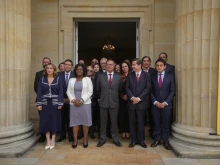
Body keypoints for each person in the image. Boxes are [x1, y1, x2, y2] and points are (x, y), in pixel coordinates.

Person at [96, 59, 123, 147]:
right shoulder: (100, 76)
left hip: (114, 102)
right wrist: (100, 98)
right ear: (105, 66)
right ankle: (102, 139)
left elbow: (120, 90)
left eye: (111, 64)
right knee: (103, 122)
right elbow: (97, 89)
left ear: (114, 65)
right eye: (107, 64)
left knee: (114, 122)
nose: (109, 66)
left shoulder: (118, 77)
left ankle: (115, 139)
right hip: (103, 102)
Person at [36, 63, 63, 149]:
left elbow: (61, 92)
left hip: (55, 103)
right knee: (46, 121)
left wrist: (60, 103)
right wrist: (39, 103)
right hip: (45, 103)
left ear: (54, 70)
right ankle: (48, 140)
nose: (49, 70)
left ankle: (53, 139)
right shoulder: (42, 79)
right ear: (45, 70)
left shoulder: (58, 79)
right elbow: (39, 92)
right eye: (48, 68)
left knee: (54, 121)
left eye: (51, 68)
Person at [125, 58, 151, 148]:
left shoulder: (147, 75)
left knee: (141, 122)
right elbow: (127, 87)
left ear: (139, 65)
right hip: (131, 103)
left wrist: (139, 98)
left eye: (134, 64)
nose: (132, 66)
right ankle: (133, 140)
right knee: (132, 122)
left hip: (141, 103)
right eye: (132, 64)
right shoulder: (130, 75)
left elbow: (148, 88)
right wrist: (132, 97)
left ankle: (141, 140)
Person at [150, 58, 175, 150]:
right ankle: (157, 139)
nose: (159, 67)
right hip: (155, 105)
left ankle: (165, 140)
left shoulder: (170, 76)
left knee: (166, 123)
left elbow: (172, 91)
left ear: (165, 66)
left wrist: (165, 102)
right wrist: (155, 102)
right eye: (157, 65)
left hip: (166, 105)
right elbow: (150, 91)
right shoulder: (152, 77)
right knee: (156, 123)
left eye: (161, 65)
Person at [67, 64, 93, 148]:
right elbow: (68, 92)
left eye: (81, 69)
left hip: (85, 104)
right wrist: (73, 100)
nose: (79, 70)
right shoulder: (71, 80)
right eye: (78, 69)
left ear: (84, 71)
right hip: (74, 104)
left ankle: (85, 139)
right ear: (75, 70)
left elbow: (90, 91)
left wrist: (81, 101)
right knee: (75, 122)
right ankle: (75, 140)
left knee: (85, 122)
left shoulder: (87, 79)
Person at [34, 57, 51, 143]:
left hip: (52, 100)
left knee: (51, 117)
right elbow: (36, 87)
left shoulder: (54, 74)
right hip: (42, 100)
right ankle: (43, 135)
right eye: (44, 62)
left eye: (47, 62)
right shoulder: (38, 74)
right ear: (42, 63)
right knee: (43, 118)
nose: (46, 63)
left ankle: (51, 134)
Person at [57, 59, 74, 142]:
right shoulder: (58, 74)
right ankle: (62, 135)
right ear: (64, 65)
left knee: (71, 119)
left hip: (72, 101)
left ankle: (71, 136)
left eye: (69, 65)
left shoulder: (74, 75)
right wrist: (62, 99)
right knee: (61, 119)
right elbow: (56, 88)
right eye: (66, 64)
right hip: (61, 100)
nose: (67, 66)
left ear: (72, 66)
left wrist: (69, 98)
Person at [142, 56, 157, 139]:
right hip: (142, 98)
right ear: (142, 63)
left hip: (152, 97)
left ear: (150, 62)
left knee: (152, 116)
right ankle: (141, 133)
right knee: (142, 116)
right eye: (144, 61)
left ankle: (152, 132)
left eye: (148, 61)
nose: (146, 62)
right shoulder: (139, 71)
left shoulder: (154, 71)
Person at [118, 61, 132, 140]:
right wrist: (122, 95)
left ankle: (129, 131)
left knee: (129, 115)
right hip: (122, 99)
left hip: (131, 99)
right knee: (122, 115)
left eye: (125, 66)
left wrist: (129, 96)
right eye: (122, 67)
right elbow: (118, 88)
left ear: (128, 66)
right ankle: (123, 131)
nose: (124, 68)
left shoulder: (132, 75)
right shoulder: (119, 76)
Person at [87, 66, 96, 139]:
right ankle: (82, 133)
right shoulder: (82, 79)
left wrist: (91, 97)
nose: (89, 72)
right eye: (88, 70)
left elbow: (96, 90)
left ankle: (91, 132)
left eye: (91, 71)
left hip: (92, 102)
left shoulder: (95, 79)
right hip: (83, 102)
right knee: (83, 117)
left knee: (92, 118)